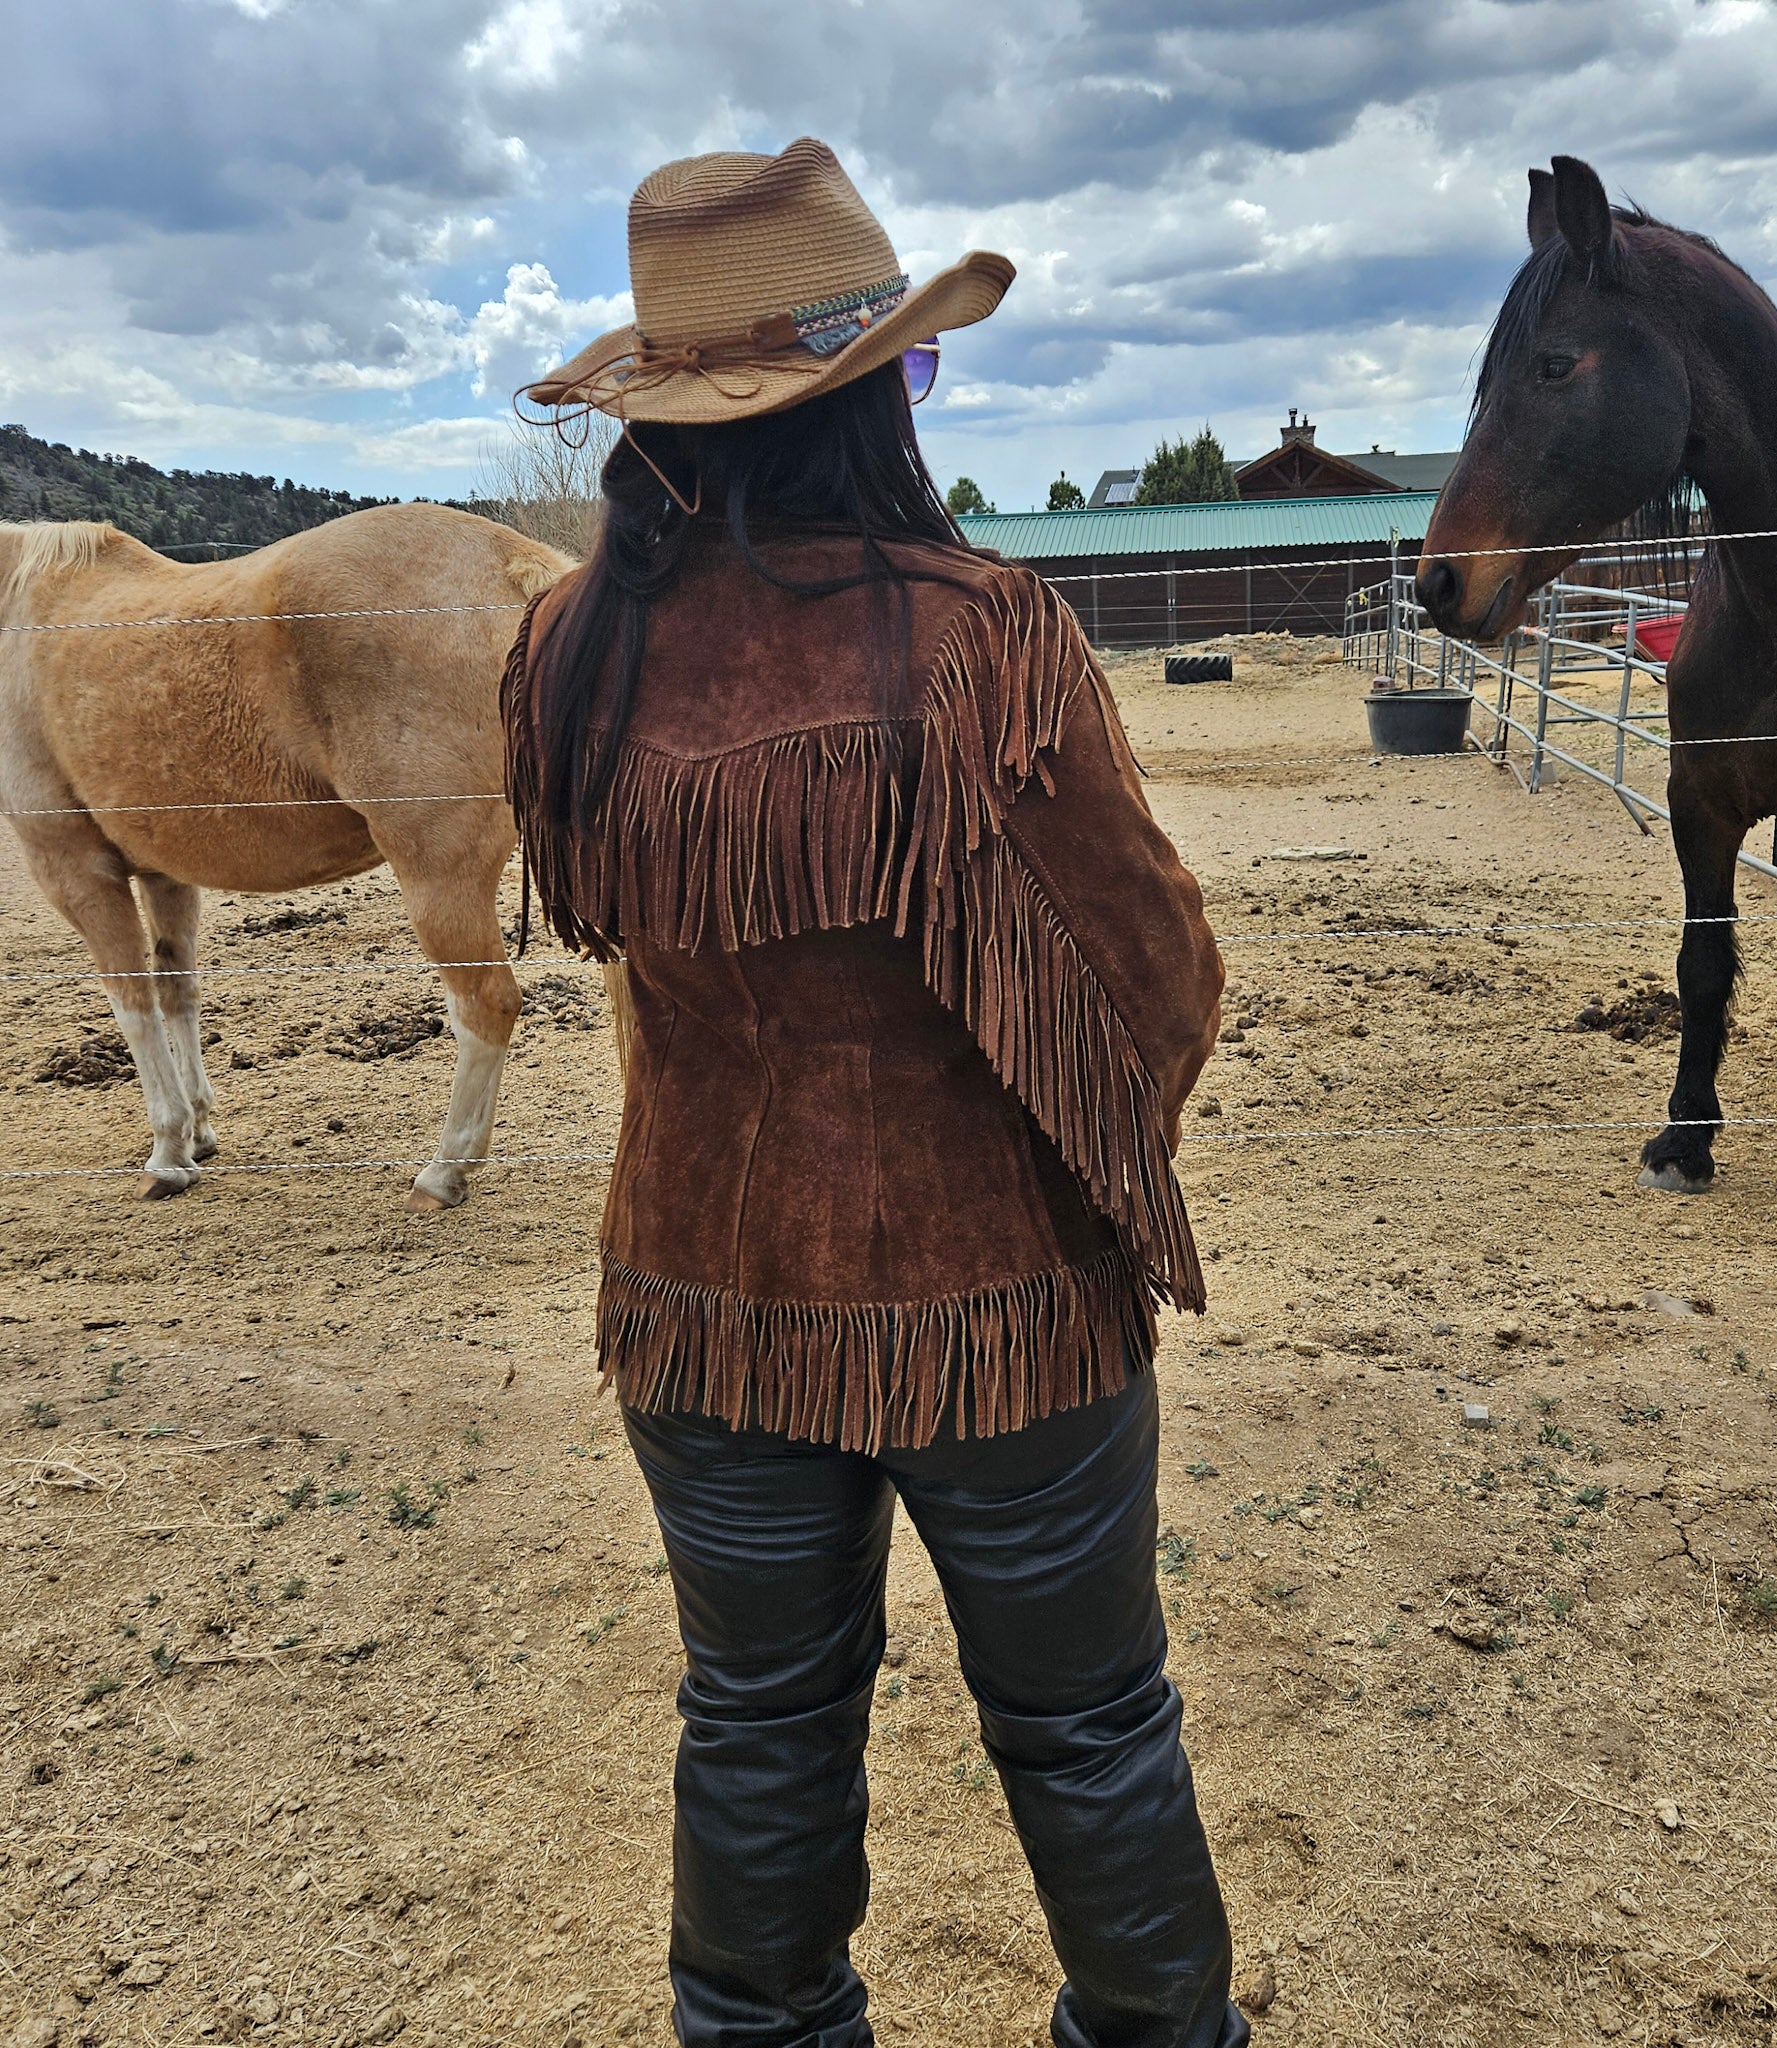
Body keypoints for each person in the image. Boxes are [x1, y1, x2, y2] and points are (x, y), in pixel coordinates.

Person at [503, 138, 1244, 2048]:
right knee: (1089, 1726)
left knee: (752, 1718)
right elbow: (1152, 981)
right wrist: (1100, 1167)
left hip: (702, 1300)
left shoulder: (566, 657)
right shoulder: (982, 633)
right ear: (871, 401)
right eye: (913, 372)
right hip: (999, 1313)